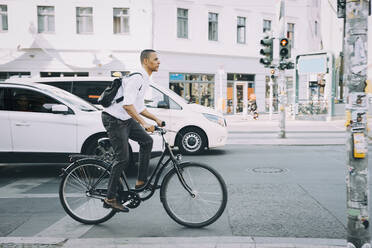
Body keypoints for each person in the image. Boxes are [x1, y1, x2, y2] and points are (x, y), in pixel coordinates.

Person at [101, 49, 164, 212]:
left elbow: (139, 107)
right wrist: (143, 123)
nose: (159, 62)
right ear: (145, 61)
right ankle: (110, 197)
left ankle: (141, 181)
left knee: (147, 141)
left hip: (125, 118)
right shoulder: (137, 77)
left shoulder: (144, 79)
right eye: (155, 59)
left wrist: (155, 119)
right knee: (122, 158)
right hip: (114, 119)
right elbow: (127, 105)